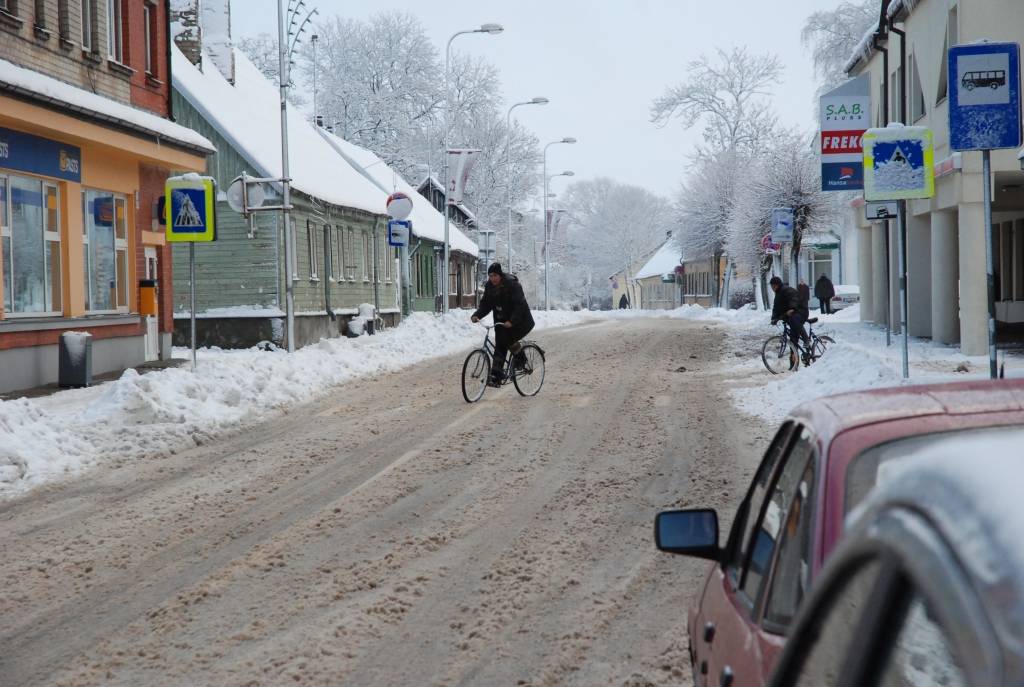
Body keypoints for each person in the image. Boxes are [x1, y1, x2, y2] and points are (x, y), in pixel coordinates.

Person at [471, 263, 535, 387]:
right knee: (501, 343)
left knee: (506, 341)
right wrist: (477, 315)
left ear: (500, 275)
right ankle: (497, 375)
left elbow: (519, 305)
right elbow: (486, 304)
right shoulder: (490, 287)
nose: (492, 278)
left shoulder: (512, 285)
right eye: (490, 276)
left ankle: (518, 363)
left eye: (495, 275)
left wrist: (512, 321)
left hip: (521, 320)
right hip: (502, 321)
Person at [770, 276, 810, 364]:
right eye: (771, 286)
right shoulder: (778, 294)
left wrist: (792, 308)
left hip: (801, 311)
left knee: (794, 319)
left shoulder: (786, 290)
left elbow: (794, 298)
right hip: (792, 314)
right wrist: (774, 318)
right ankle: (793, 365)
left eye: (773, 286)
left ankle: (806, 339)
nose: (772, 288)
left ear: (778, 285)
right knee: (793, 342)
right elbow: (776, 308)